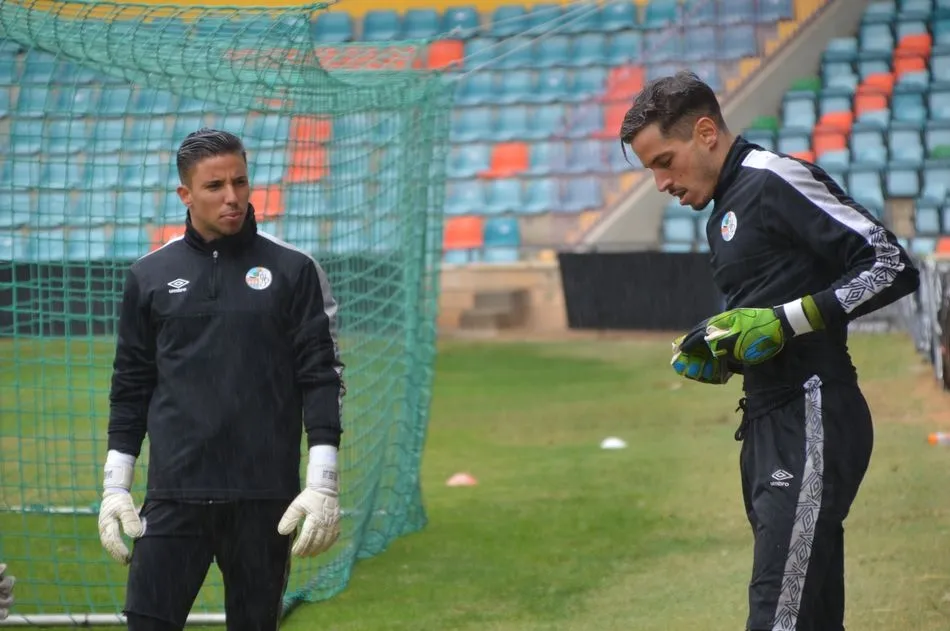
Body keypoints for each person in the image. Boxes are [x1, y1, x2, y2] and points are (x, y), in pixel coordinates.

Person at [619, 71, 920, 631]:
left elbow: (893, 266)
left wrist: (784, 322)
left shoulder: (774, 178)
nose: (660, 182)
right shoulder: (722, 211)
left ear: (706, 132)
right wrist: (726, 348)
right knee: (810, 613)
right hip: (765, 422)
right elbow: (767, 312)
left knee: (778, 613)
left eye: (664, 161)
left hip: (813, 412)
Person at [98, 128, 346, 631]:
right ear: (185, 195)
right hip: (173, 495)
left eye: (240, 181)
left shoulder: (294, 269)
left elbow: (322, 378)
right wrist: (115, 488)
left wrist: (323, 483)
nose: (232, 197)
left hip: (264, 499)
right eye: (214, 187)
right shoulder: (149, 276)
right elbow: (131, 385)